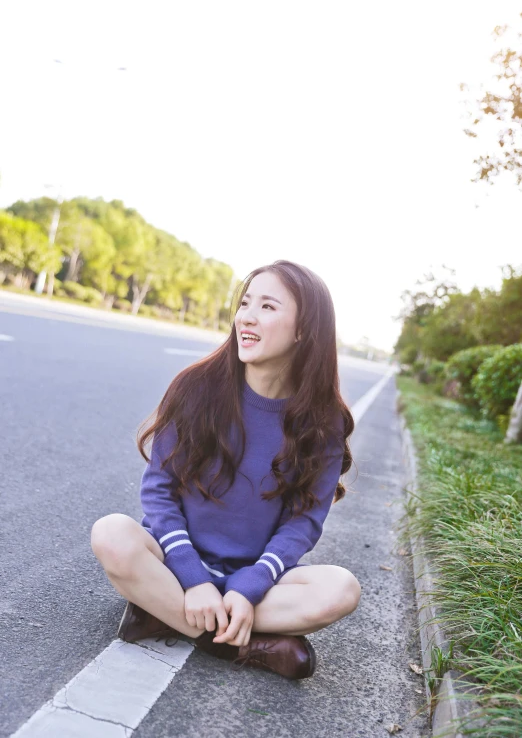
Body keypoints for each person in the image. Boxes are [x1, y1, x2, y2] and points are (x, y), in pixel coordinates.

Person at [91, 260, 361, 680]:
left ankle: (164, 616)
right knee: (110, 534)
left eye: (268, 307)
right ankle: (244, 645)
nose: (246, 317)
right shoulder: (196, 387)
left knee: (342, 590)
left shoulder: (324, 422)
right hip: (174, 564)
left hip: (253, 582)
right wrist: (194, 577)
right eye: (245, 303)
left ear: (304, 329)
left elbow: (303, 522)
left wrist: (250, 585)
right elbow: (159, 491)